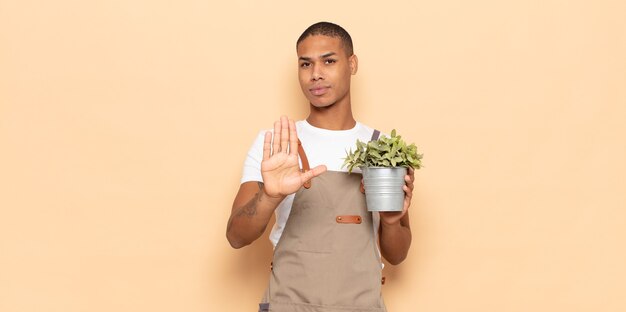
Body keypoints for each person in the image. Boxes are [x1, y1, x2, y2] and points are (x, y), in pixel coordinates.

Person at [226, 22, 414, 312]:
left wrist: (390, 222)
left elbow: (397, 254)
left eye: (329, 61)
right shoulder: (275, 144)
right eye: (305, 64)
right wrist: (270, 196)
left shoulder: (383, 149)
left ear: (351, 64)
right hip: (288, 304)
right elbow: (236, 237)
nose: (316, 74)